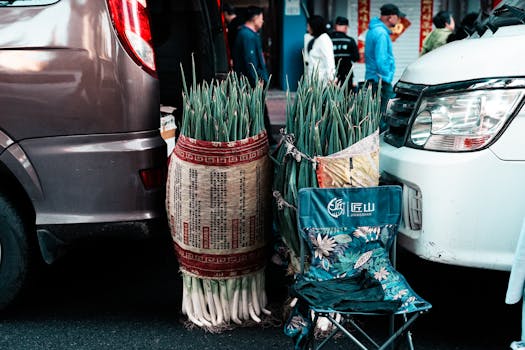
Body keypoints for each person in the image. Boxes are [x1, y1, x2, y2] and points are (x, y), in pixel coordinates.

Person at [232, 6, 276, 145]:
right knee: (259, 112)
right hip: (252, 83)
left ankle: (267, 139)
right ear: (255, 18)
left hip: (252, 82)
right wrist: (257, 81)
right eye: (262, 18)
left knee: (260, 112)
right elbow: (250, 63)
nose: (262, 21)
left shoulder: (248, 34)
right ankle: (267, 140)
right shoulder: (247, 35)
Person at [364, 3, 405, 132]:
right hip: (380, 80)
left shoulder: (373, 30)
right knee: (385, 115)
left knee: (376, 114)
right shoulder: (381, 33)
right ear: (391, 17)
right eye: (397, 17)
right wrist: (387, 77)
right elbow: (381, 59)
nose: (398, 20)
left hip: (374, 79)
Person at [329, 16, 360, 89]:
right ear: (346, 27)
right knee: (346, 97)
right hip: (347, 74)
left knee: (332, 97)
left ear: (335, 26)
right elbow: (356, 58)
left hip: (331, 75)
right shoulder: (350, 40)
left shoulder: (328, 39)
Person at [303, 15, 336, 84]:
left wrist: (332, 78)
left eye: (309, 26)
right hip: (314, 82)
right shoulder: (316, 39)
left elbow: (329, 59)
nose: (307, 29)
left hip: (321, 82)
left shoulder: (324, 39)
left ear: (315, 27)